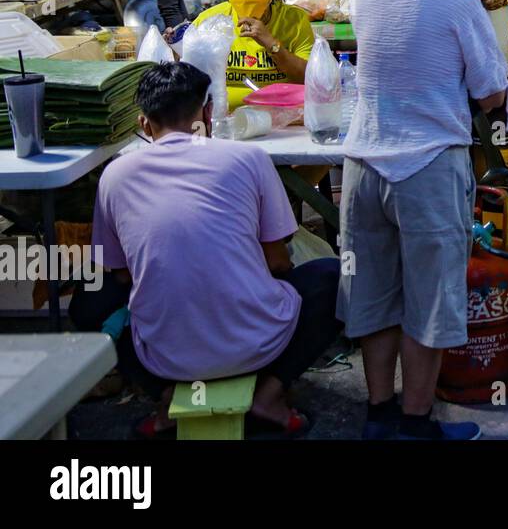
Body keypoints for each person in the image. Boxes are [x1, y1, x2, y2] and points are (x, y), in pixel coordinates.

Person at [72, 62, 342, 438]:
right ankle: (269, 394)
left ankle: (167, 402)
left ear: (144, 123)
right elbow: (278, 262)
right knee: (333, 276)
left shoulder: (115, 175)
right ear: (209, 113)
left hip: (165, 357)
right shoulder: (249, 159)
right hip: (259, 345)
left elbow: (120, 275)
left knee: (89, 301)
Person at [338, 0, 508, 441]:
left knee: (374, 294)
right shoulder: (458, 4)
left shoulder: (362, 2)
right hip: (430, 168)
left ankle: (378, 415)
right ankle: (416, 425)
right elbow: (489, 93)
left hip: (364, 168)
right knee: (431, 298)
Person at [191, 0, 314, 108]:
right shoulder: (210, 20)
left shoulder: (294, 20)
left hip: (281, 118)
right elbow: (189, 73)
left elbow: (309, 79)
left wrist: (271, 44)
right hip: (224, 117)